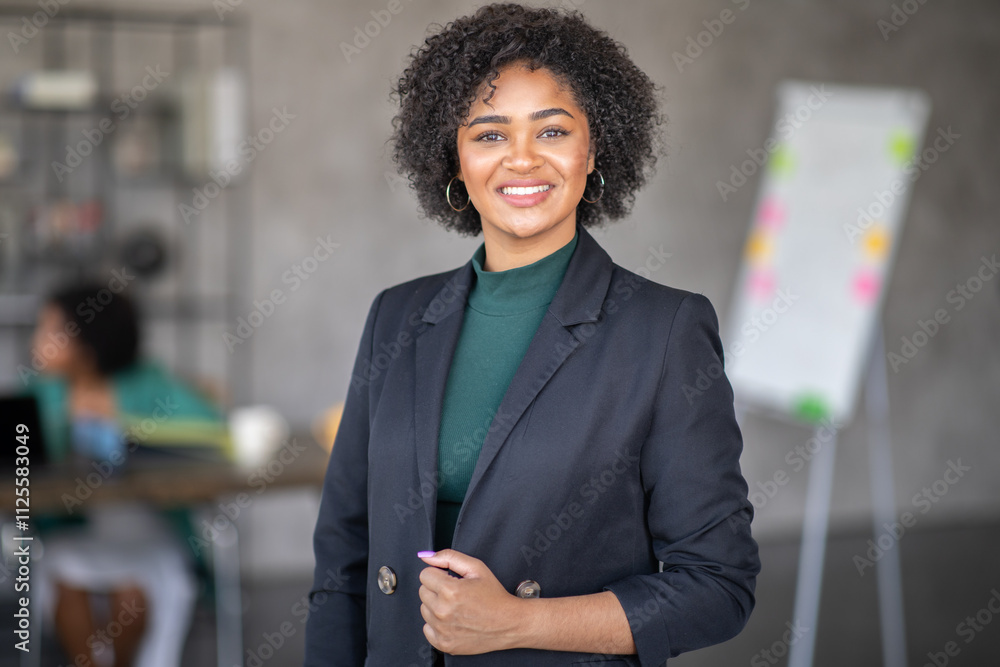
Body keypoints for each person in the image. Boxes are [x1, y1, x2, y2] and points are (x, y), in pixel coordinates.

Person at [305, 4, 760, 665]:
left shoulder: (664, 330)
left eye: (551, 131)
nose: (521, 159)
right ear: (453, 159)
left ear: (593, 148)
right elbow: (342, 561)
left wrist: (518, 622)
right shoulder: (396, 317)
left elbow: (718, 585)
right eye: (489, 135)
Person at [23, 281, 229, 667]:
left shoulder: (147, 384)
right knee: (65, 582)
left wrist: (123, 428)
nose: (37, 341)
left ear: (84, 343)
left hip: (147, 527)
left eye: (48, 330)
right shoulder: (39, 395)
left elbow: (211, 427)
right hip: (72, 530)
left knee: (133, 594)